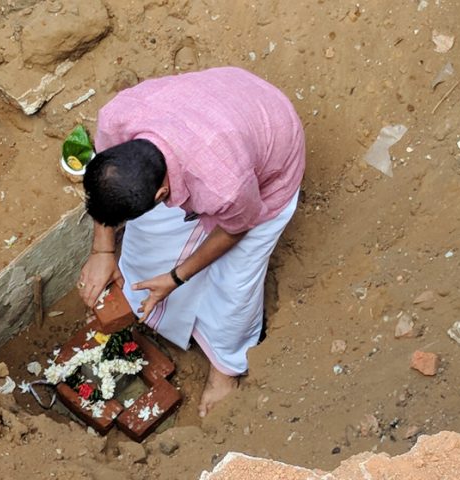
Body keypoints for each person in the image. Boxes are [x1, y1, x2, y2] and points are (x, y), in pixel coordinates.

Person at [77, 66, 305, 417]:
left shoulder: (223, 183)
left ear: (163, 192)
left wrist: (175, 278)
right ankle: (144, 311)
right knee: (148, 233)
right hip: (220, 105)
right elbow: (107, 187)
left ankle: (226, 368)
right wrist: (102, 249)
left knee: (235, 282)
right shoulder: (117, 119)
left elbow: (235, 229)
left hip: (269, 160)